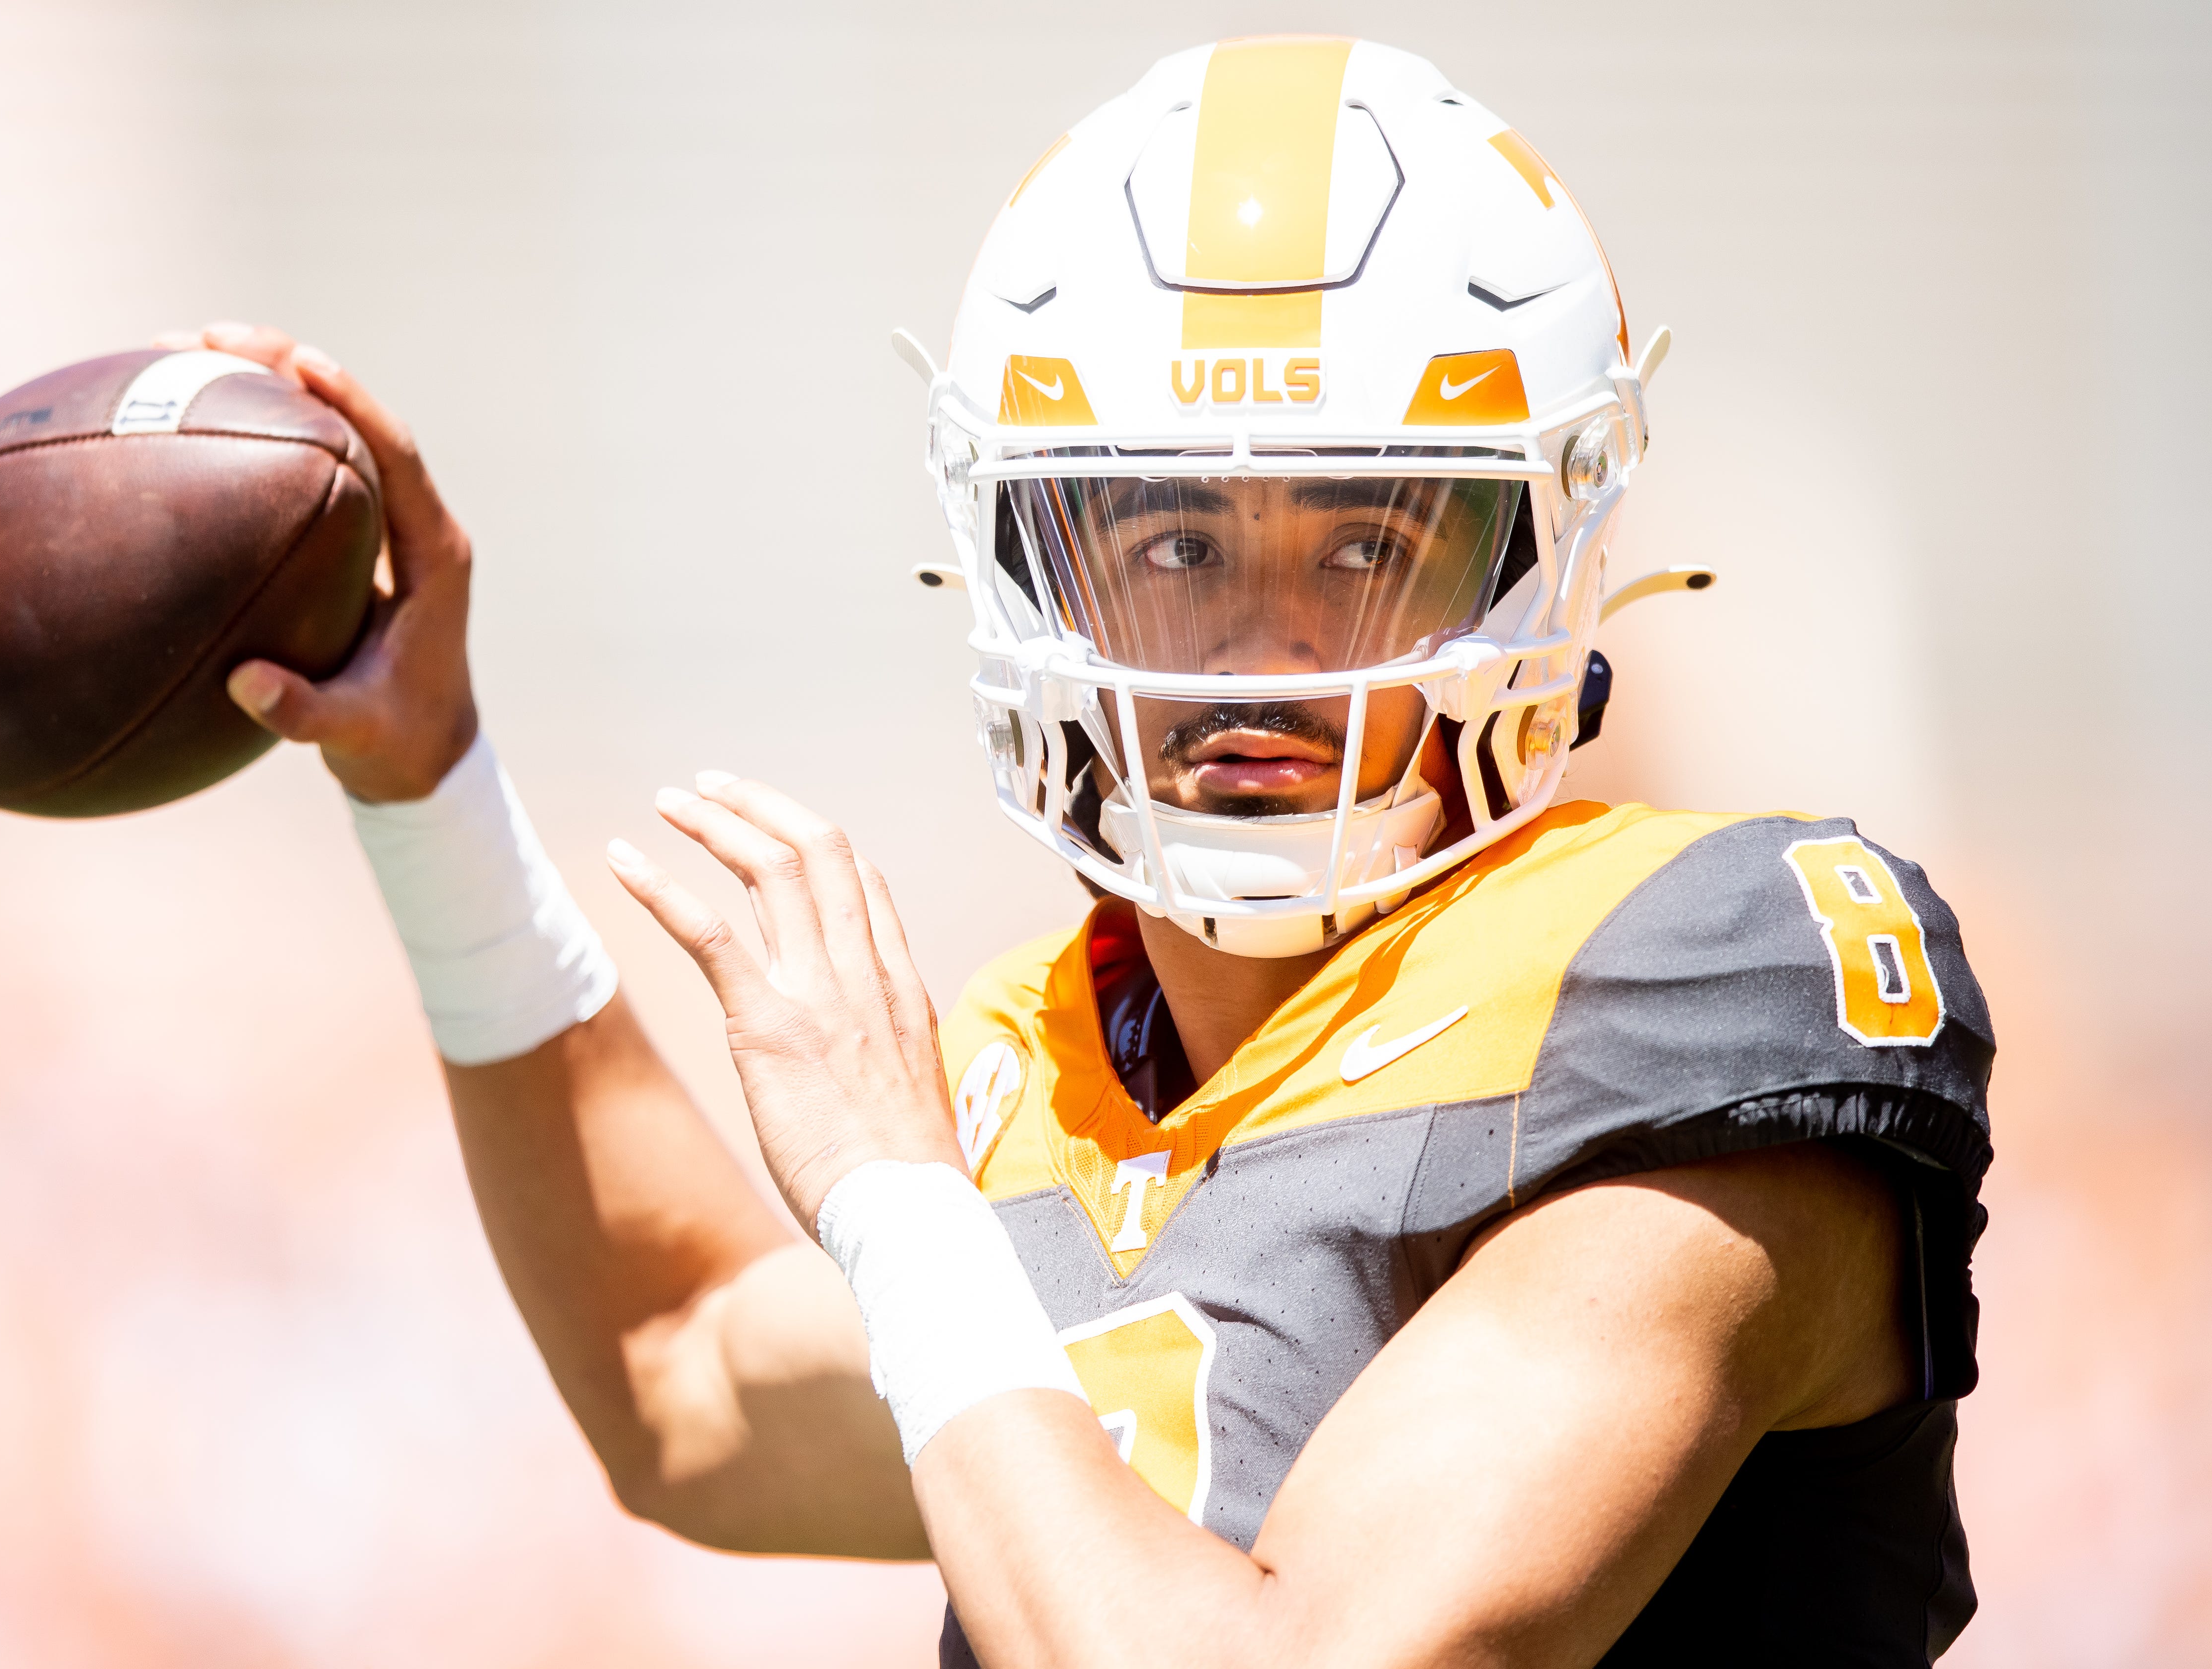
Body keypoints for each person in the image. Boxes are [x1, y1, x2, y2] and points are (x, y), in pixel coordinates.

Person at [189, 36, 1991, 1667]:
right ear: (1025, 557)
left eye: (1369, 543)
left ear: (1538, 554)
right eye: (1178, 544)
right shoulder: (1055, 1063)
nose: (1264, 653)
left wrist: (899, 1210)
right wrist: (429, 787)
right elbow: (676, 1380)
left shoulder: (1694, 970)